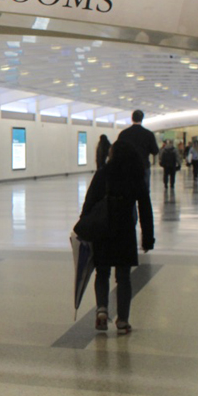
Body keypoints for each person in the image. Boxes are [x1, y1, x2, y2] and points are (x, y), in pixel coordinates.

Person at [80, 141, 154, 334]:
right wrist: (148, 238)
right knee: (123, 277)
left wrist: (83, 227)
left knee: (102, 272)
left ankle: (102, 309)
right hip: (125, 230)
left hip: (102, 228)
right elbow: (145, 208)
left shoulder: (103, 173)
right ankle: (122, 320)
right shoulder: (135, 175)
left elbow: (89, 202)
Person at [116, 110, 159, 188]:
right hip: (143, 166)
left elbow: (117, 151)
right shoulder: (148, 134)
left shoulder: (124, 134)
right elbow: (155, 151)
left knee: (128, 192)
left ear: (132, 119)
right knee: (144, 193)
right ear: (142, 119)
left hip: (127, 167)